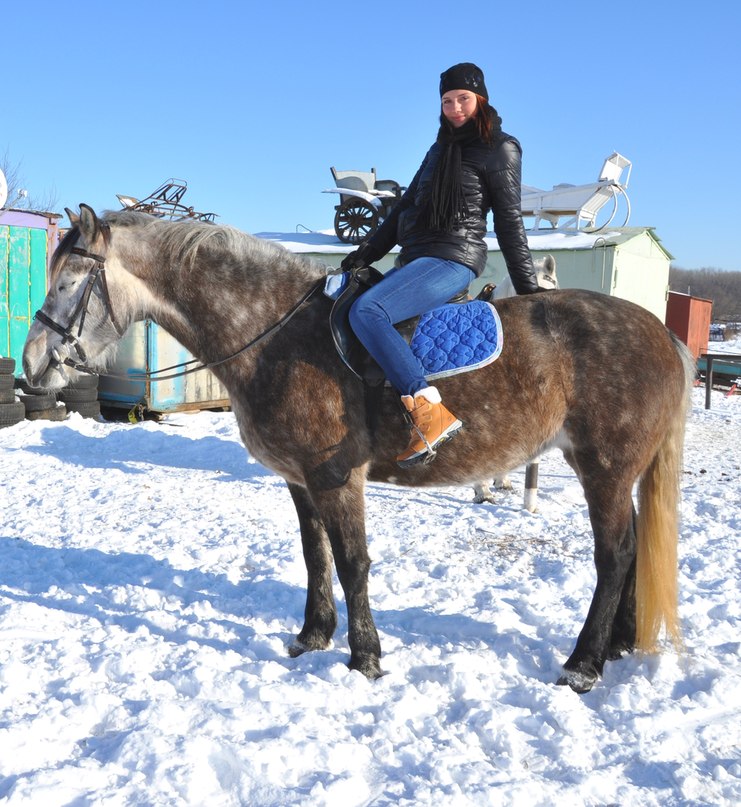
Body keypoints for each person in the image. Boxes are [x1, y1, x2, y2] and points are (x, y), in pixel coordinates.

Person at [342, 62, 540, 468]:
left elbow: (508, 221)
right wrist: (364, 254)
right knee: (349, 303)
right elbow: (403, 210)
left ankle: (428, 412)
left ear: (481, 99)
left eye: (463, 99)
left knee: (369, 310)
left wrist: (528, 289)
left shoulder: (501, 147)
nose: (454, 108)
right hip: (416, 257)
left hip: (453, 258)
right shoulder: (439, 150)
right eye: (447, 101)